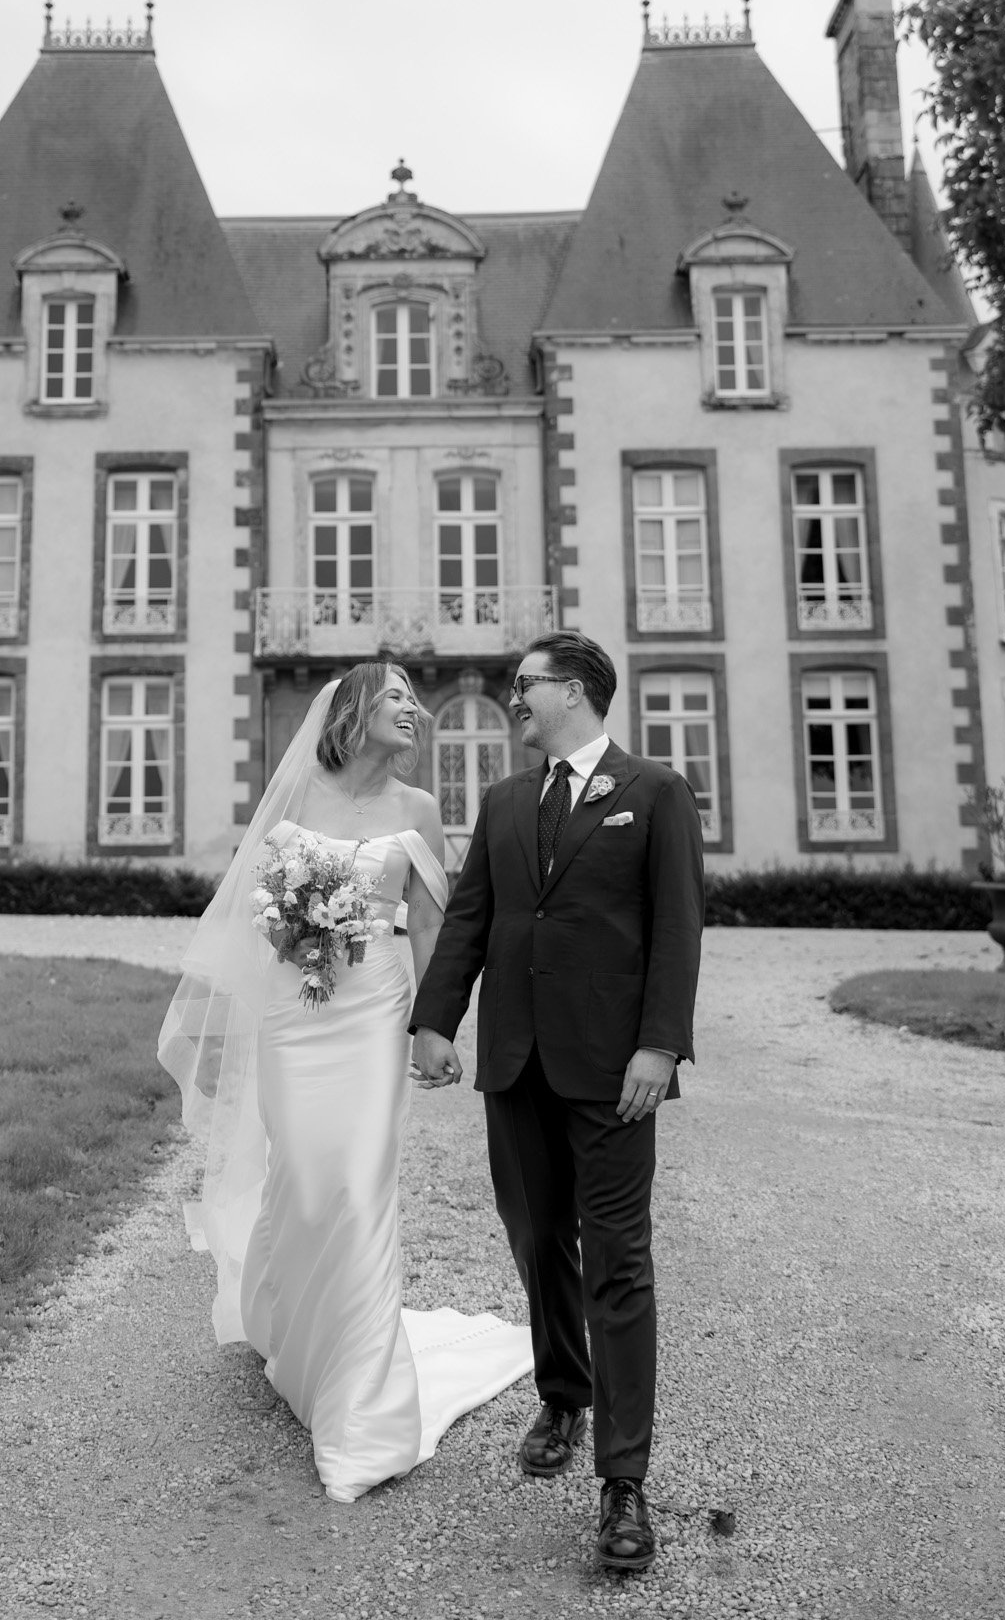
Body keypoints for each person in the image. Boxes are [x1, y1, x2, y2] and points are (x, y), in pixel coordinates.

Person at [158, 662, 532, 1505]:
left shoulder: (419, 812)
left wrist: (435, 1026)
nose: (414, 712)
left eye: (414, 701)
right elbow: (251, 913)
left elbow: (433, 921)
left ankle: (363, 1410)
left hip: (371, 1010)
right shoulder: (294, 798)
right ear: (355, 710)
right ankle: (293, 1330)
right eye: (397, 698)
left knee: (360, 1187)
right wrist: (291, 939)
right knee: (303, 1178)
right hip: (297, 1010)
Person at [410, 630, 703, 1574]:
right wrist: (436, 1020)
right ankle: (563, 1394)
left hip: (616, 1071)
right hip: (515, 1065)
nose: (513, 698)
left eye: (524, 685)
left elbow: (676, 928)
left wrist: (659, 1045)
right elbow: (471, 919)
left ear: (571, 692)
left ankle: (623, 1484)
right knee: (537, 1241)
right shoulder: (501, 802)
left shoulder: (652, 793)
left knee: (618, 1263)